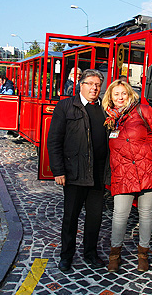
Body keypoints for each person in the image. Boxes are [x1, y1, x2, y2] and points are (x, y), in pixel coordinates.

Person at [102, 80, 152, 272]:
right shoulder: (108, 118)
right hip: (123, 172)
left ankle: (143, 254)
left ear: (130, 95)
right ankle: (115, 255)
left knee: (146, 215)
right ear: (110, 97)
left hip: (148, 169)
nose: (120, 97)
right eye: (116, 94)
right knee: (119, 215)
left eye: (123, 93)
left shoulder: (143, 110)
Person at [47, 69, 109, 272]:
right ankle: (66, 255)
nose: (94, 88)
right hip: (74, 171)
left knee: (95, 217)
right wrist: (58, 171)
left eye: (98, 85)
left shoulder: (105, 109)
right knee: (70, 217)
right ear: (80, 84)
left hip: (98, 173)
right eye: (90, 83)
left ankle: (90, 253)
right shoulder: (66, 106)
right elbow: (54, 140)